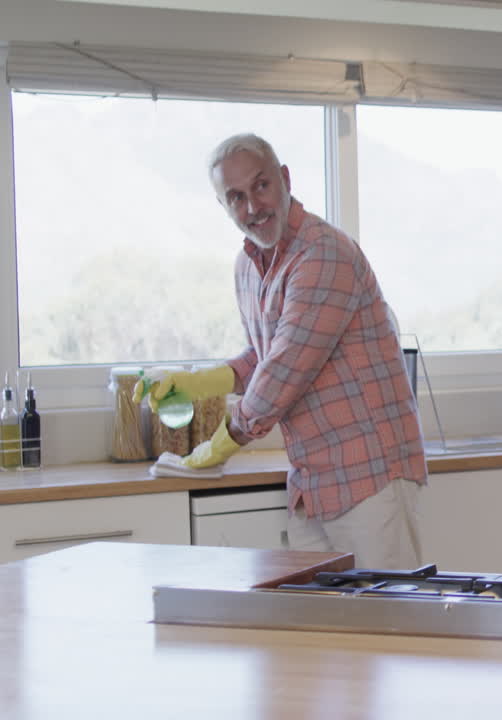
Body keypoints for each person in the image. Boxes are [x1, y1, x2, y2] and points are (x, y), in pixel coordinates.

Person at [138, 133, 428, 568]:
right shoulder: (249, 267)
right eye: (235, 197)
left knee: (391, 629)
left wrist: (217, 448)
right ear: (223, 207)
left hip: (372, 478)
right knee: (316, 632)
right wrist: (198, 381)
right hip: (312, 486)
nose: (252, 207)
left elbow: (284, 370)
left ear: (285, 179)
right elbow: (264, 354)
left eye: (261, 186)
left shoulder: (322, 254)